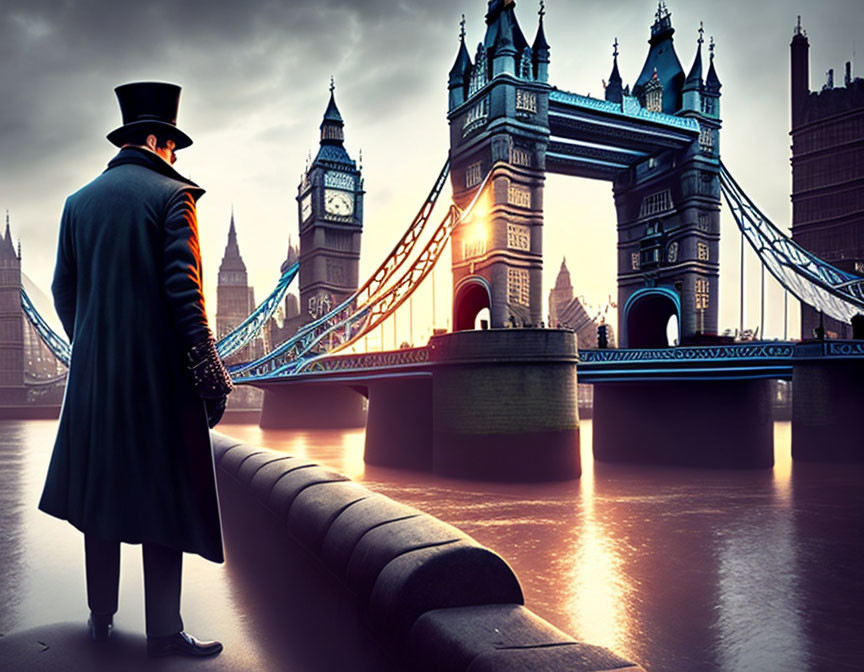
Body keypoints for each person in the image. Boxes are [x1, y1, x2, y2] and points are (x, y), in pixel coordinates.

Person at [37, 82, 233, 658]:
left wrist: (95, 343)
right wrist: (209, 373)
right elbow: (184, 293)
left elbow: (61, 289)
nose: (175, 157)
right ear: (155, 140)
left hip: (94, 385)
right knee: (160, 501)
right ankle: (164, 632)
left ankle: (101, 617)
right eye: (172, 145)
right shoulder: (174, 196)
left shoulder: (78, 202)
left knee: (102, 497)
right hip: (156, 384)